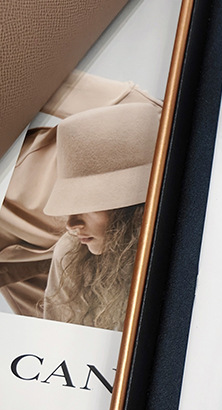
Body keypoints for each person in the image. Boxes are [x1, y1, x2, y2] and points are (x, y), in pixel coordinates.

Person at [0, 73, 161, 320]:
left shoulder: (152, 124)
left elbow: (34, 78)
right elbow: (29, 78)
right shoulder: (153, 122)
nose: (70, 223)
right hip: (48, 267)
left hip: (97, 257)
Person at [41, 100, 161, 330]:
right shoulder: (70, 253)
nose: (71, 224)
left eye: (88, 203)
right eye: (70, 204)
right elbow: (57, 339)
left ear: (135, 206)